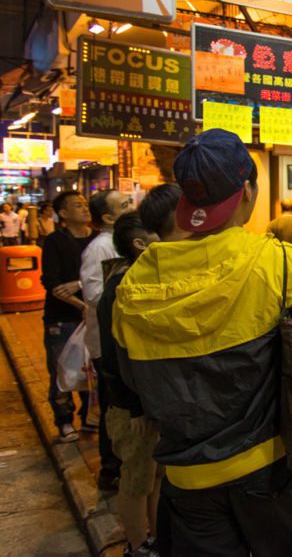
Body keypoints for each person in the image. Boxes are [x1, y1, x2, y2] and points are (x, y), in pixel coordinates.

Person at [113, 129, 292, 554]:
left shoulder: (132, 283)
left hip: (187, 481)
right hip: (272, 470)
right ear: (248, 192)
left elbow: (129, 384)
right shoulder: (281, 263)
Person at [99, 211, 171, 557]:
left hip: (146, 404)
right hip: (132, 407)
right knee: (137, 480)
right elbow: (118, 357)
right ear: (139, 244)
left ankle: (155, 538)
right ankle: (137, 545)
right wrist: (138, 404)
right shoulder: (122, 286)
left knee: (154, 477)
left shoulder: (134, 277)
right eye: (157, 233)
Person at [80, 189, 131, 490]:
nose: (131, 206)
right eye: (124, 205)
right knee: (112, 404)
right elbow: (94, 295)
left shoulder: (118, 242)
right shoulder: (101, 247)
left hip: (119, 339)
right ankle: (110, 467)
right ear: (108, 218)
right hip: (107, 341)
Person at [41, 191, 98, 443]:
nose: (84, 208)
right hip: (61, 319)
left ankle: (89, 417)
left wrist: (77, 284)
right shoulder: (55, 241)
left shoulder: (98, 240)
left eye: (85, 204)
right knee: (62, 370)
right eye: (77, 205)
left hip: (91, 317)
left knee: (89, 370)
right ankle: (64, 421)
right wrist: (79, 304)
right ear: (63, 214)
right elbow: (52, 283)